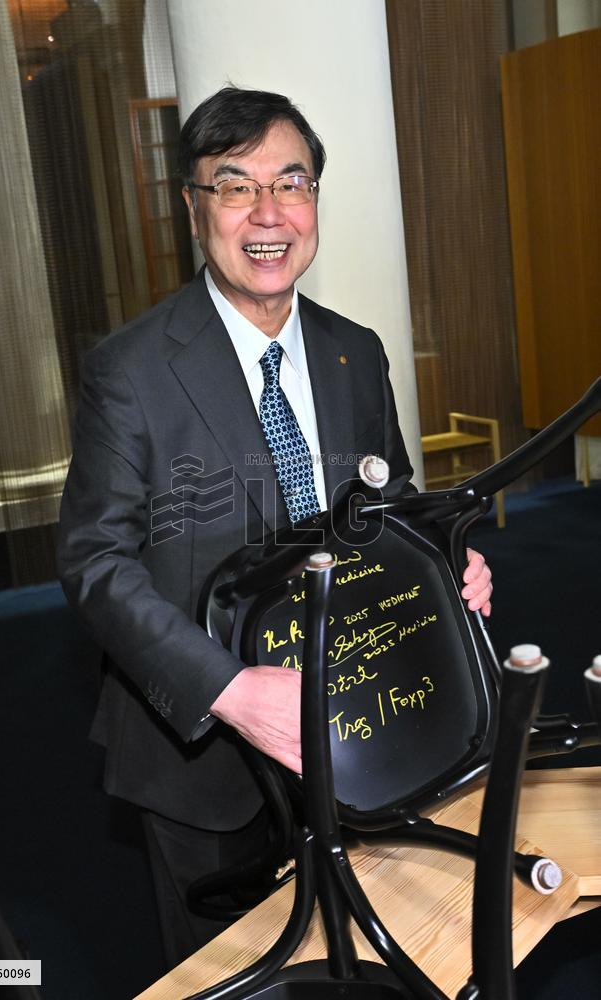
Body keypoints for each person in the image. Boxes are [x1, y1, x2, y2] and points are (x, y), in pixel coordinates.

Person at [57, 86, 492, 969]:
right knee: (230, 966)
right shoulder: (130, 370)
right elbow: (96, 563)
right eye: (233, 184)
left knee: (362, 952)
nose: (267, 213)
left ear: (314, 201)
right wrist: (227, 691)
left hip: (362, 718)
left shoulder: (354, 350)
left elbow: (389, 503)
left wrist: (447, 566)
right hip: (201, 758)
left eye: (289, 183)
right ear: (192, 206)